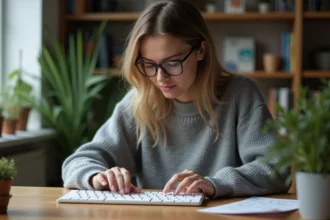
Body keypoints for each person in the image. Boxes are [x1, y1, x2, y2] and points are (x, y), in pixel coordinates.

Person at [62, 0, 290, 199]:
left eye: (172, 62)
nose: (160, 77)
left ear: (201, 51)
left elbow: (276, 169)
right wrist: (97, 177)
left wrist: (214, 184)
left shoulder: (240, 94)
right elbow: (77, 162)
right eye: (149, 64)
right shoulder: (141, 101)